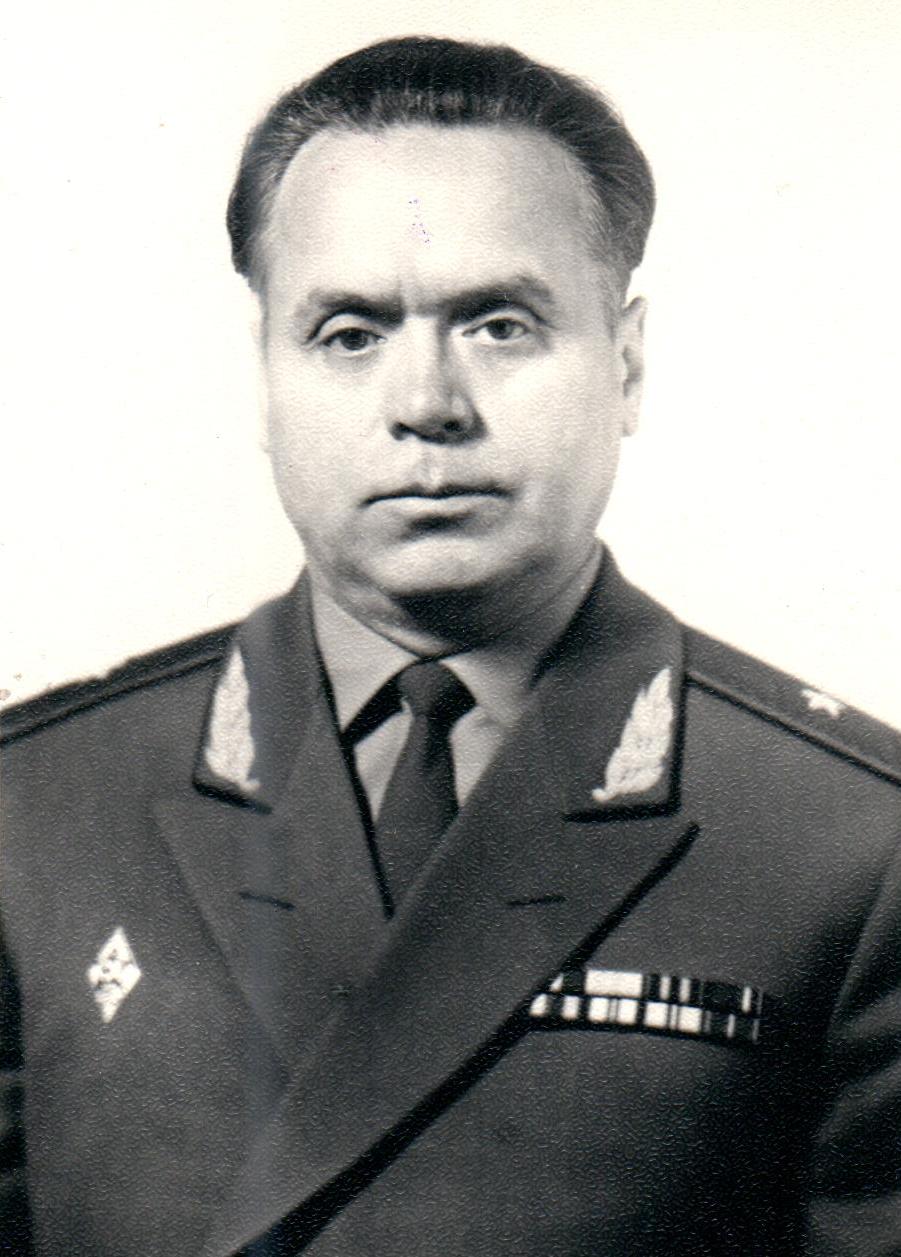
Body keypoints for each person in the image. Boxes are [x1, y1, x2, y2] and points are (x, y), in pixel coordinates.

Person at [2, 35, 899, 1257]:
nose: (425, 403)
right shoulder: (37, 808)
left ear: (627, 366)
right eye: (349, 334)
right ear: (264, 379)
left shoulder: (850, 849)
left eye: (499, 325)